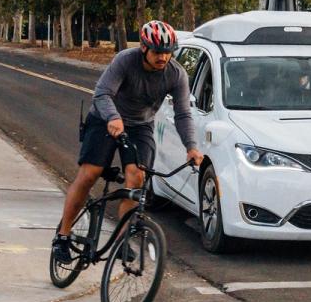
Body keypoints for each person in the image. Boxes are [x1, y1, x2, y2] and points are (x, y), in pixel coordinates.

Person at [51, 20, 204, 263]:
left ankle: (122, 240)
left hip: (141, 126)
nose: (163, 57)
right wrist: (113, 117)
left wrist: (191, 147)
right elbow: (102, 93)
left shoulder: (176, 74)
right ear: (144, 48)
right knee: (90, 173)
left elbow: (183, 113)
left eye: (167, 52)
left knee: (136, 178)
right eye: (157, 52)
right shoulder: (125, 60)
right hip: (105, 119)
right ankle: (63, 236)